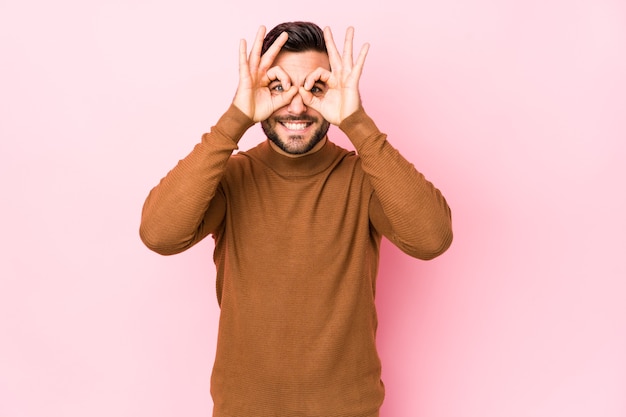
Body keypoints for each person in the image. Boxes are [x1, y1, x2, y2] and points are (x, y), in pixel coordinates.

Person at [140, 21, 452, 417]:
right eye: (279, 87)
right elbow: (158, 234)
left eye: (315, 88)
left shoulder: (365, 177)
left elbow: (433, 239)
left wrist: (357, 124)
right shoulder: (231, 176)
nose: (298, 105)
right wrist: (235, 118)